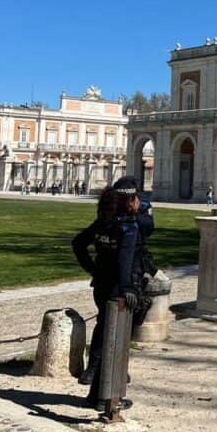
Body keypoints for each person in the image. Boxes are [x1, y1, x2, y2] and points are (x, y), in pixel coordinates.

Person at [72, 175, 154, 410]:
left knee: (105, 332)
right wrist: (128, 287)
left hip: (102, 285)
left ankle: (95, 390)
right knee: (116, 341)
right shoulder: (127, 227)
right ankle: (107, 399)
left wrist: (93, 269)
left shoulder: (104, 223)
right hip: (120, 290)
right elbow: (125, 260)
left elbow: (78, 244)